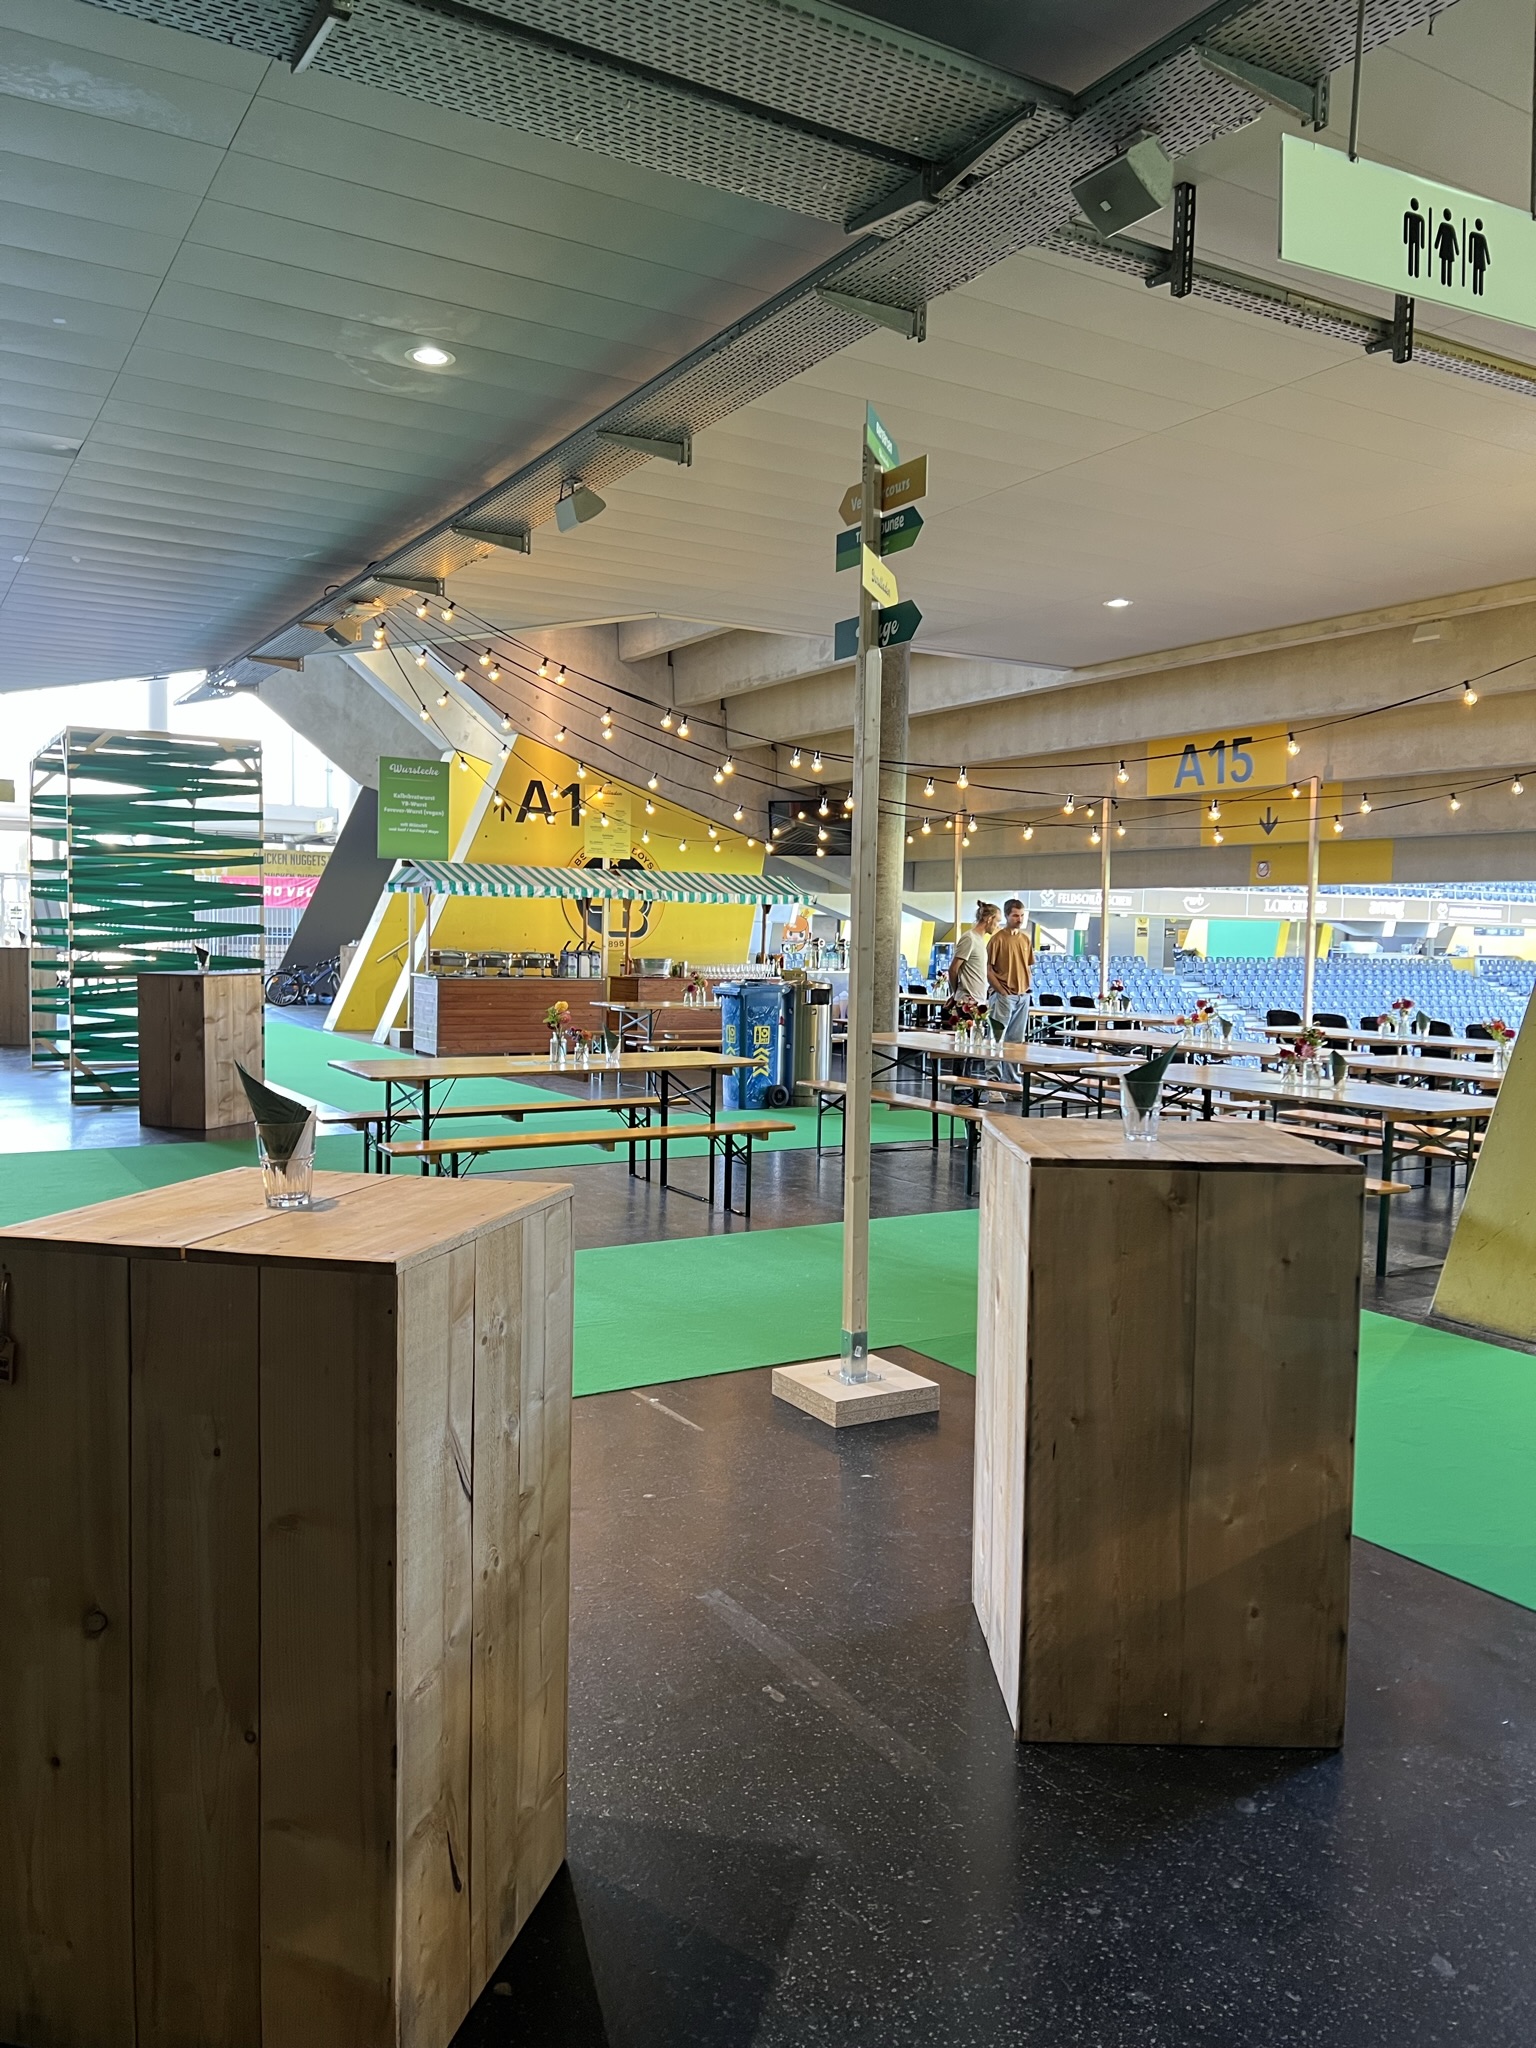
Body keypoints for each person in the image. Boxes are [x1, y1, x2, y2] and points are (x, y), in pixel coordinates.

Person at [948, 902, 1000, 1093]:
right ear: (989, 919)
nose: (997, 926)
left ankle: (966, 1087)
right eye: (997, 921)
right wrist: (956, 994)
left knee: (972, 1047)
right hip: (967, 1001)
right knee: (964, 1047)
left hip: (978, 1002)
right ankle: (960, 1089)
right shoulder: (969, 938)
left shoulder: (980, 940)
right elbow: (953, 969)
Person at [987, 898, 1035, 1085]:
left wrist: (1027, 987)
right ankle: (993, 1080)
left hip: (1023, 995)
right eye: (1015, 915)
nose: (1019, 919)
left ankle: (1012, 1081)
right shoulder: (997, 939)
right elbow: (988, 969)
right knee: (996, 1038)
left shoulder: (1025, 939)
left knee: (1016, 1041)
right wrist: (1001, 990)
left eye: (1022, 915)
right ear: (1007, 916)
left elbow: (1028, 966)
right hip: (1004, 996)